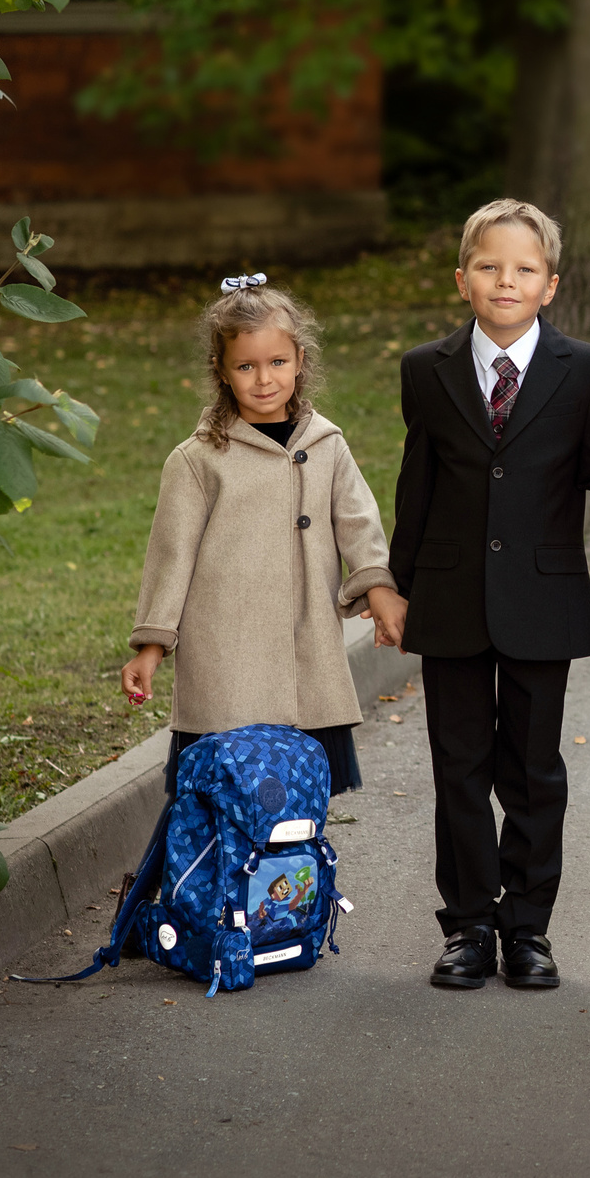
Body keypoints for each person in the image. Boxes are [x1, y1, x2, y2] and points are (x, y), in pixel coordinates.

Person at [390, 200, 590, 994]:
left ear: (551, 285)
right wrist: (396, 587)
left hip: (543, 598)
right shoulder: (425, 369)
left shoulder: (586, 370)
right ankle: (469, 925)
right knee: (459, 767)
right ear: (462, 280)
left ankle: (527, 927)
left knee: (534, 771)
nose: (507, 281)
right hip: (450, 597)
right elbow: (417, 486)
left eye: (525, 269)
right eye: (490, 267)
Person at [123, 277, 404, 800]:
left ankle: (298, 860)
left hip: (307, 656)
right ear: (221, 371)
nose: (264, 379)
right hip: (228, 661)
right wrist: (151, 647)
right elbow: (171, 557)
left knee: (301, 799)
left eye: (277, 362)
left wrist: (379, 588)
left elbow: (359, 522)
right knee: (226, 800)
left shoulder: (326, 444)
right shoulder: (198, 460)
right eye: (246, 366)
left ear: (300, 360)